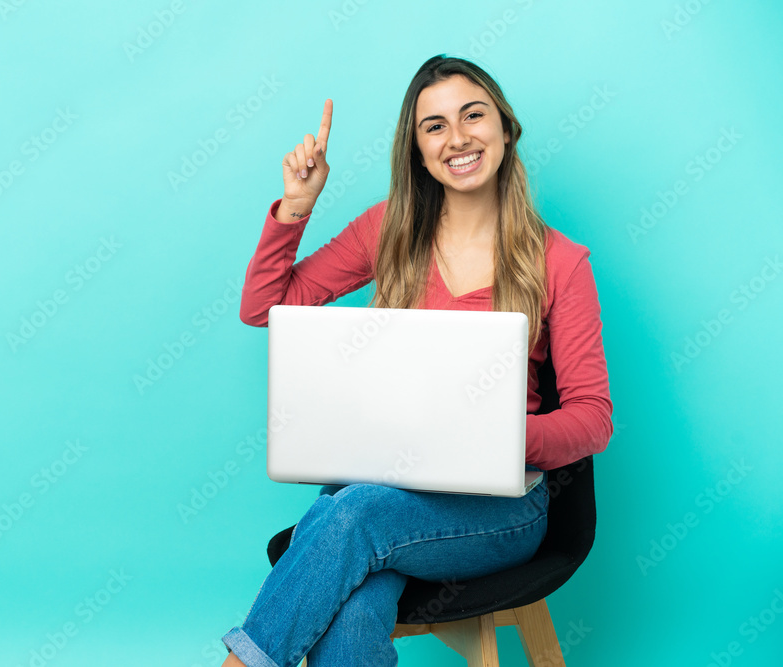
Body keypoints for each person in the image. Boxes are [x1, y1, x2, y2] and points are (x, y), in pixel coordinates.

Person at [220, 55, 614, 667]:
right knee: (352, 600)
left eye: (473, 115)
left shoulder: (561, 262)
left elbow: (593, 419)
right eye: (434, 126)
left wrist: (492, 436)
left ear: (505, 129)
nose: (456, 137)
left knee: (349, 516)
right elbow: (266, 306)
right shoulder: (389, 230)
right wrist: (296, 204)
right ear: (418, 151)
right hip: (381, 493)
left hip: (500, 510)